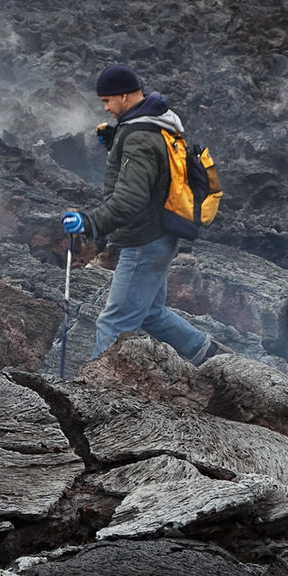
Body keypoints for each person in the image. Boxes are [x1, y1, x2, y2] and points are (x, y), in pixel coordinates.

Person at [60, 63, 217, 364]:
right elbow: (152, 171)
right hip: (161, 234)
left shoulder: (139, 137)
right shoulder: (155, 121)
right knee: (151, 313)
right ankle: (206, 353)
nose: (105, 108)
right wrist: (116, 143)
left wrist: (89, 223)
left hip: (144, 241)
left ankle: (97, 391)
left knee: (114, 323)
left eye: (107, 101)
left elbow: (131, 198)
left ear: (123, 95)